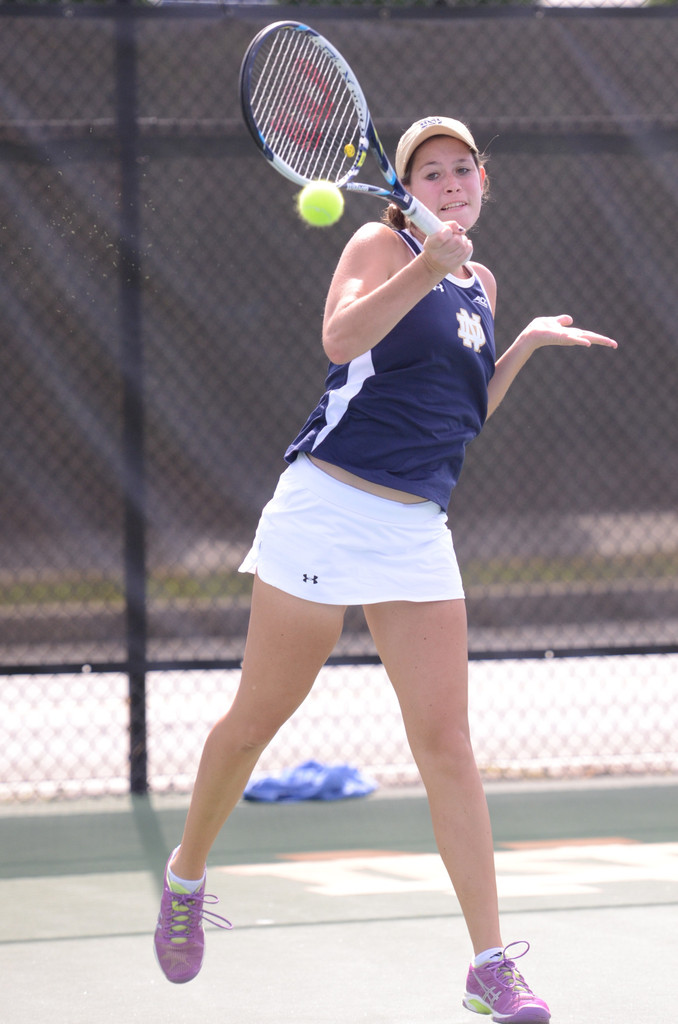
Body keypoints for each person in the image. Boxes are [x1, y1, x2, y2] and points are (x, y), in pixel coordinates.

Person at [153, 115, 617, 1021]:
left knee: (448, 746)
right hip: (325, 506)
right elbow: (340, 341)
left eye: (461, 170)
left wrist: (516, 341)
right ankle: (184, 878)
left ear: (484, 179)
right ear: (407, 189)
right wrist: (423, 267)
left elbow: (462, 412)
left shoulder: (478, 281)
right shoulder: (380, 241)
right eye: (430, 173)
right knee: (255, 723)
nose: (449, 185)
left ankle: (489, 963)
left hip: (415, 530)